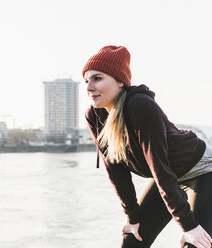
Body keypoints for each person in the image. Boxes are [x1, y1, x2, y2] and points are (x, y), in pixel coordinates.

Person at [82, 45, 212, 248]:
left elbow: (158, 167)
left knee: (196, 245)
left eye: (97, 78)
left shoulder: (140, 105)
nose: (89, 87)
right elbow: (115, 171)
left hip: (204, 173)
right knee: (133, 241)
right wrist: (132, 218)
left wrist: (188, 226)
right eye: (87, 81)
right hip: (169, 177)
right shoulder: (94, 116)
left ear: (119, 82)